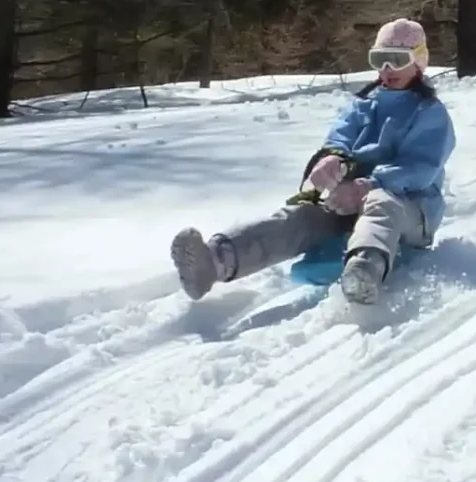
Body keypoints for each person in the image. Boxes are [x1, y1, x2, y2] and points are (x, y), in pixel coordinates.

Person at [170, 18, 456, 305]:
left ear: (418, 62)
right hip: (352, 199)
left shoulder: (429, 112)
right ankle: (214, 261)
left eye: (397, 59)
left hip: (411, 210)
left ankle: (364, 272)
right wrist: (333, 159)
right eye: (379, 59)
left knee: (382, 202)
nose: (387, 69)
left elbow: (420, 167)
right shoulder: (364, 104)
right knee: (303, 215)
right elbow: (341, 134)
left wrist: (369, 184)